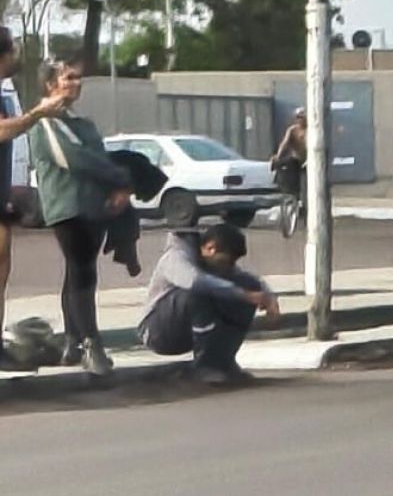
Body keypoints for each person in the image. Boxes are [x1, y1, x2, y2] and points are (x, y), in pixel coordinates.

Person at [27, 57, 134, 377]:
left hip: (94, 206)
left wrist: (116, 188)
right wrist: (122, 177)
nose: (75, 83)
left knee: (79, 273)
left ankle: (73, 342)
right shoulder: (45, 121)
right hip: (67, 206)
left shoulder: (82, 123)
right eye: (68, 78)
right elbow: (75, 159)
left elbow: (97, 156)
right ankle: (92, 343)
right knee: (81, 270)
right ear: (50, 84)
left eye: (78, 78)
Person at [0, 29, 79, 371]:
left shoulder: (4, 92)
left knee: (2, 265)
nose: (19, 52)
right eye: (14, 47)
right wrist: (39, 113)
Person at [138, 223, 280, 384]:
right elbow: (194, 281)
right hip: (158, 331)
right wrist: (242, 294)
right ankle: (204, 366)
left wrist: (270, 298)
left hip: (190, 329)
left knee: (248, 285)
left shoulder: (213, 259)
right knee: (200, 292)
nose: (229, 267)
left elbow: (252, 280)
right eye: (227, 261)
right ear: (210, 248)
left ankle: (223, 361)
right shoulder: (175, 257)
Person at [272, 108, 308, 199]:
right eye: (297, 117)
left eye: (301, 117)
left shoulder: (310, 130)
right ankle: (294, 195)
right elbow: (285, 143)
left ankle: (304, 199)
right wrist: (278, 156)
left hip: (309, 160)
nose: (299, 120)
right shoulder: (292, 130)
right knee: (289, 169)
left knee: (307, 182)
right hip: (297, 160)